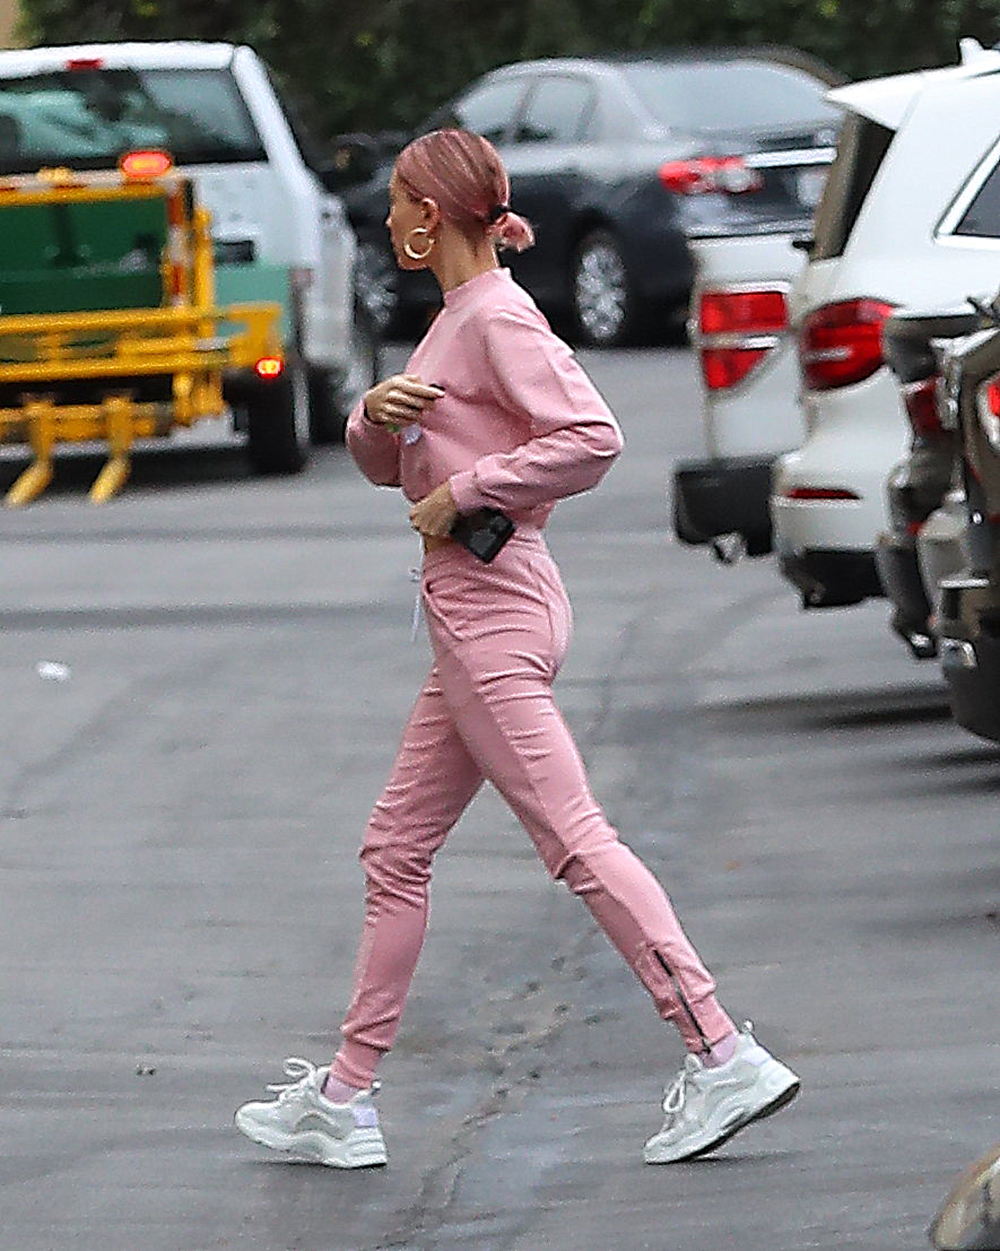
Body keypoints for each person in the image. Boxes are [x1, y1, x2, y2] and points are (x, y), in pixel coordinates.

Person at [234, 129, 799, 1169]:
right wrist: (371, 416)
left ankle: (722, 1053)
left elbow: (591, 436)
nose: (390, 218)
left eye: (401, 201)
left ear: (430, 213)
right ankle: (346, 1101)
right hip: (470, 615)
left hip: (492, 608)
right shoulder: (455, 322)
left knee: (574, 839)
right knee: (395, 851)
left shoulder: (496, 315)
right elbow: (380, 468)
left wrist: (468, 489)